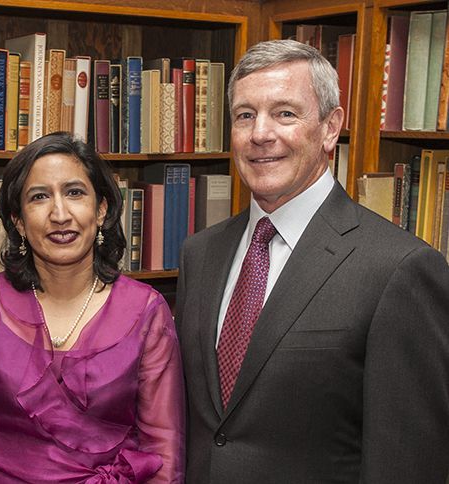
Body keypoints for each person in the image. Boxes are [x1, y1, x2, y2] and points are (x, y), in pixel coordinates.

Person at [176, 39, 449, 483]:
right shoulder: (200, 254)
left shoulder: (400, 269)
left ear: (329, 128)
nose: (261, 133)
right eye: (245, 115)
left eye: (285, 113)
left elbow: (406, 461)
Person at [0, 132, 185, 483]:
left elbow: (164, 453)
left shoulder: (146, 311)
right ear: (19, 221)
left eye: (75, 193)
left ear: (101, 209)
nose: (60, 214)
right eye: (39, 197)